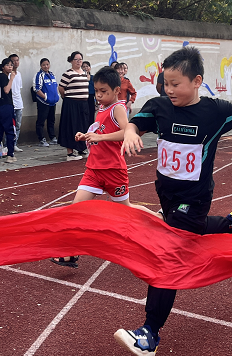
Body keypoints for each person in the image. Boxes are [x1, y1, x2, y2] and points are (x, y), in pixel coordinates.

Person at [113, 46, 232, 356]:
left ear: (196, 81)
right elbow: (134, 124)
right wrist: (128, 132)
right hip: (166, 195)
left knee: (168, 255)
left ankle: (149, 333)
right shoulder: (159, 107)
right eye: (166, 83)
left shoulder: (214, 111)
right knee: (191, 232)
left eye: (175, 84)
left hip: (194, 198)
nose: (169, 90)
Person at [51, 67, 161, 269]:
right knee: (76, 211)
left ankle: (160, 222)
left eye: (104, 91)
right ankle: (70, 254)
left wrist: (100, 137)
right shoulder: (101, 108)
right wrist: (86, 135)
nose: (99, 95)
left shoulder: (117, 108)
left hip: (113, 171)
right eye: (97, 91)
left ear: (117, 90)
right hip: (93, 170)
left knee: (125, 210)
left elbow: (127, 132)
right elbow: (100, 131)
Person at [58, 51, 91, 161]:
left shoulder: (84, 73)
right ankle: (70, 153)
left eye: (80, 59)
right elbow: (61, 88)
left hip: (83, 104)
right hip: (71, 104)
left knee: (83, 125)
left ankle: (82, 149)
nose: (79, 61)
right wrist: (66, 98)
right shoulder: (68, 73)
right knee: (71, 126)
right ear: (71, 61)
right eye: (76, 59)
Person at [33, 58, 59, 146]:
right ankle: (41, 139)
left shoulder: (52, 75)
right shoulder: (39, 75)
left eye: (47, 64)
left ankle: (52, 137)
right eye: (44, 65)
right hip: (43, 102)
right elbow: (36, 89)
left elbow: (55, 87)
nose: (46, 66)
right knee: (41, 120)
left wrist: (56, 96)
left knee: (51, 120)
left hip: (53, 102)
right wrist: (45, 97)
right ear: (41, 66)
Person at [8, 54, 24, 153]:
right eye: (13, 61)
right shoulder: (8, 75)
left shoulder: (19, 74)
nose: (15, 62)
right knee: (10, 125)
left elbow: (19, 89)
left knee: (17, 125)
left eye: (17, 60)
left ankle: (14, 144)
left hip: (19, 103)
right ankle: (7, 144)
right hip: (10, 103)